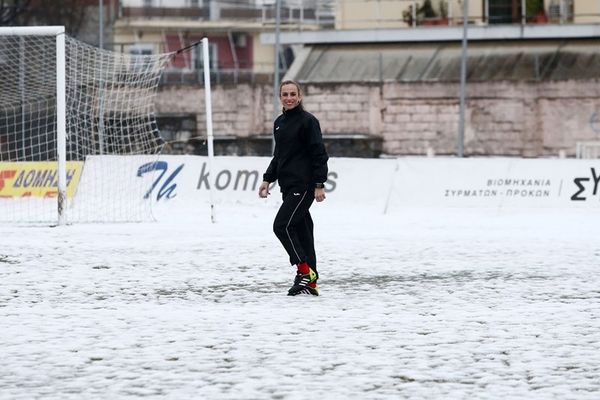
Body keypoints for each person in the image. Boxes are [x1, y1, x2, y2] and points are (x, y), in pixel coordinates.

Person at [258, 80, 329, 296]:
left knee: (281, 226)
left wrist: (319, 184)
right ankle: (311, 284)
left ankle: (304, 271)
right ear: (280, 97)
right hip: (288, 186)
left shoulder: (308, 121)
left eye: (292, 94)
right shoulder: (279, 122)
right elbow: (279, 156)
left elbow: (319, 154)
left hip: (304, 185)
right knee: (303, 232)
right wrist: (267, 179)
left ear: (300, 96)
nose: (289, 97)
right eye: (285, 94)